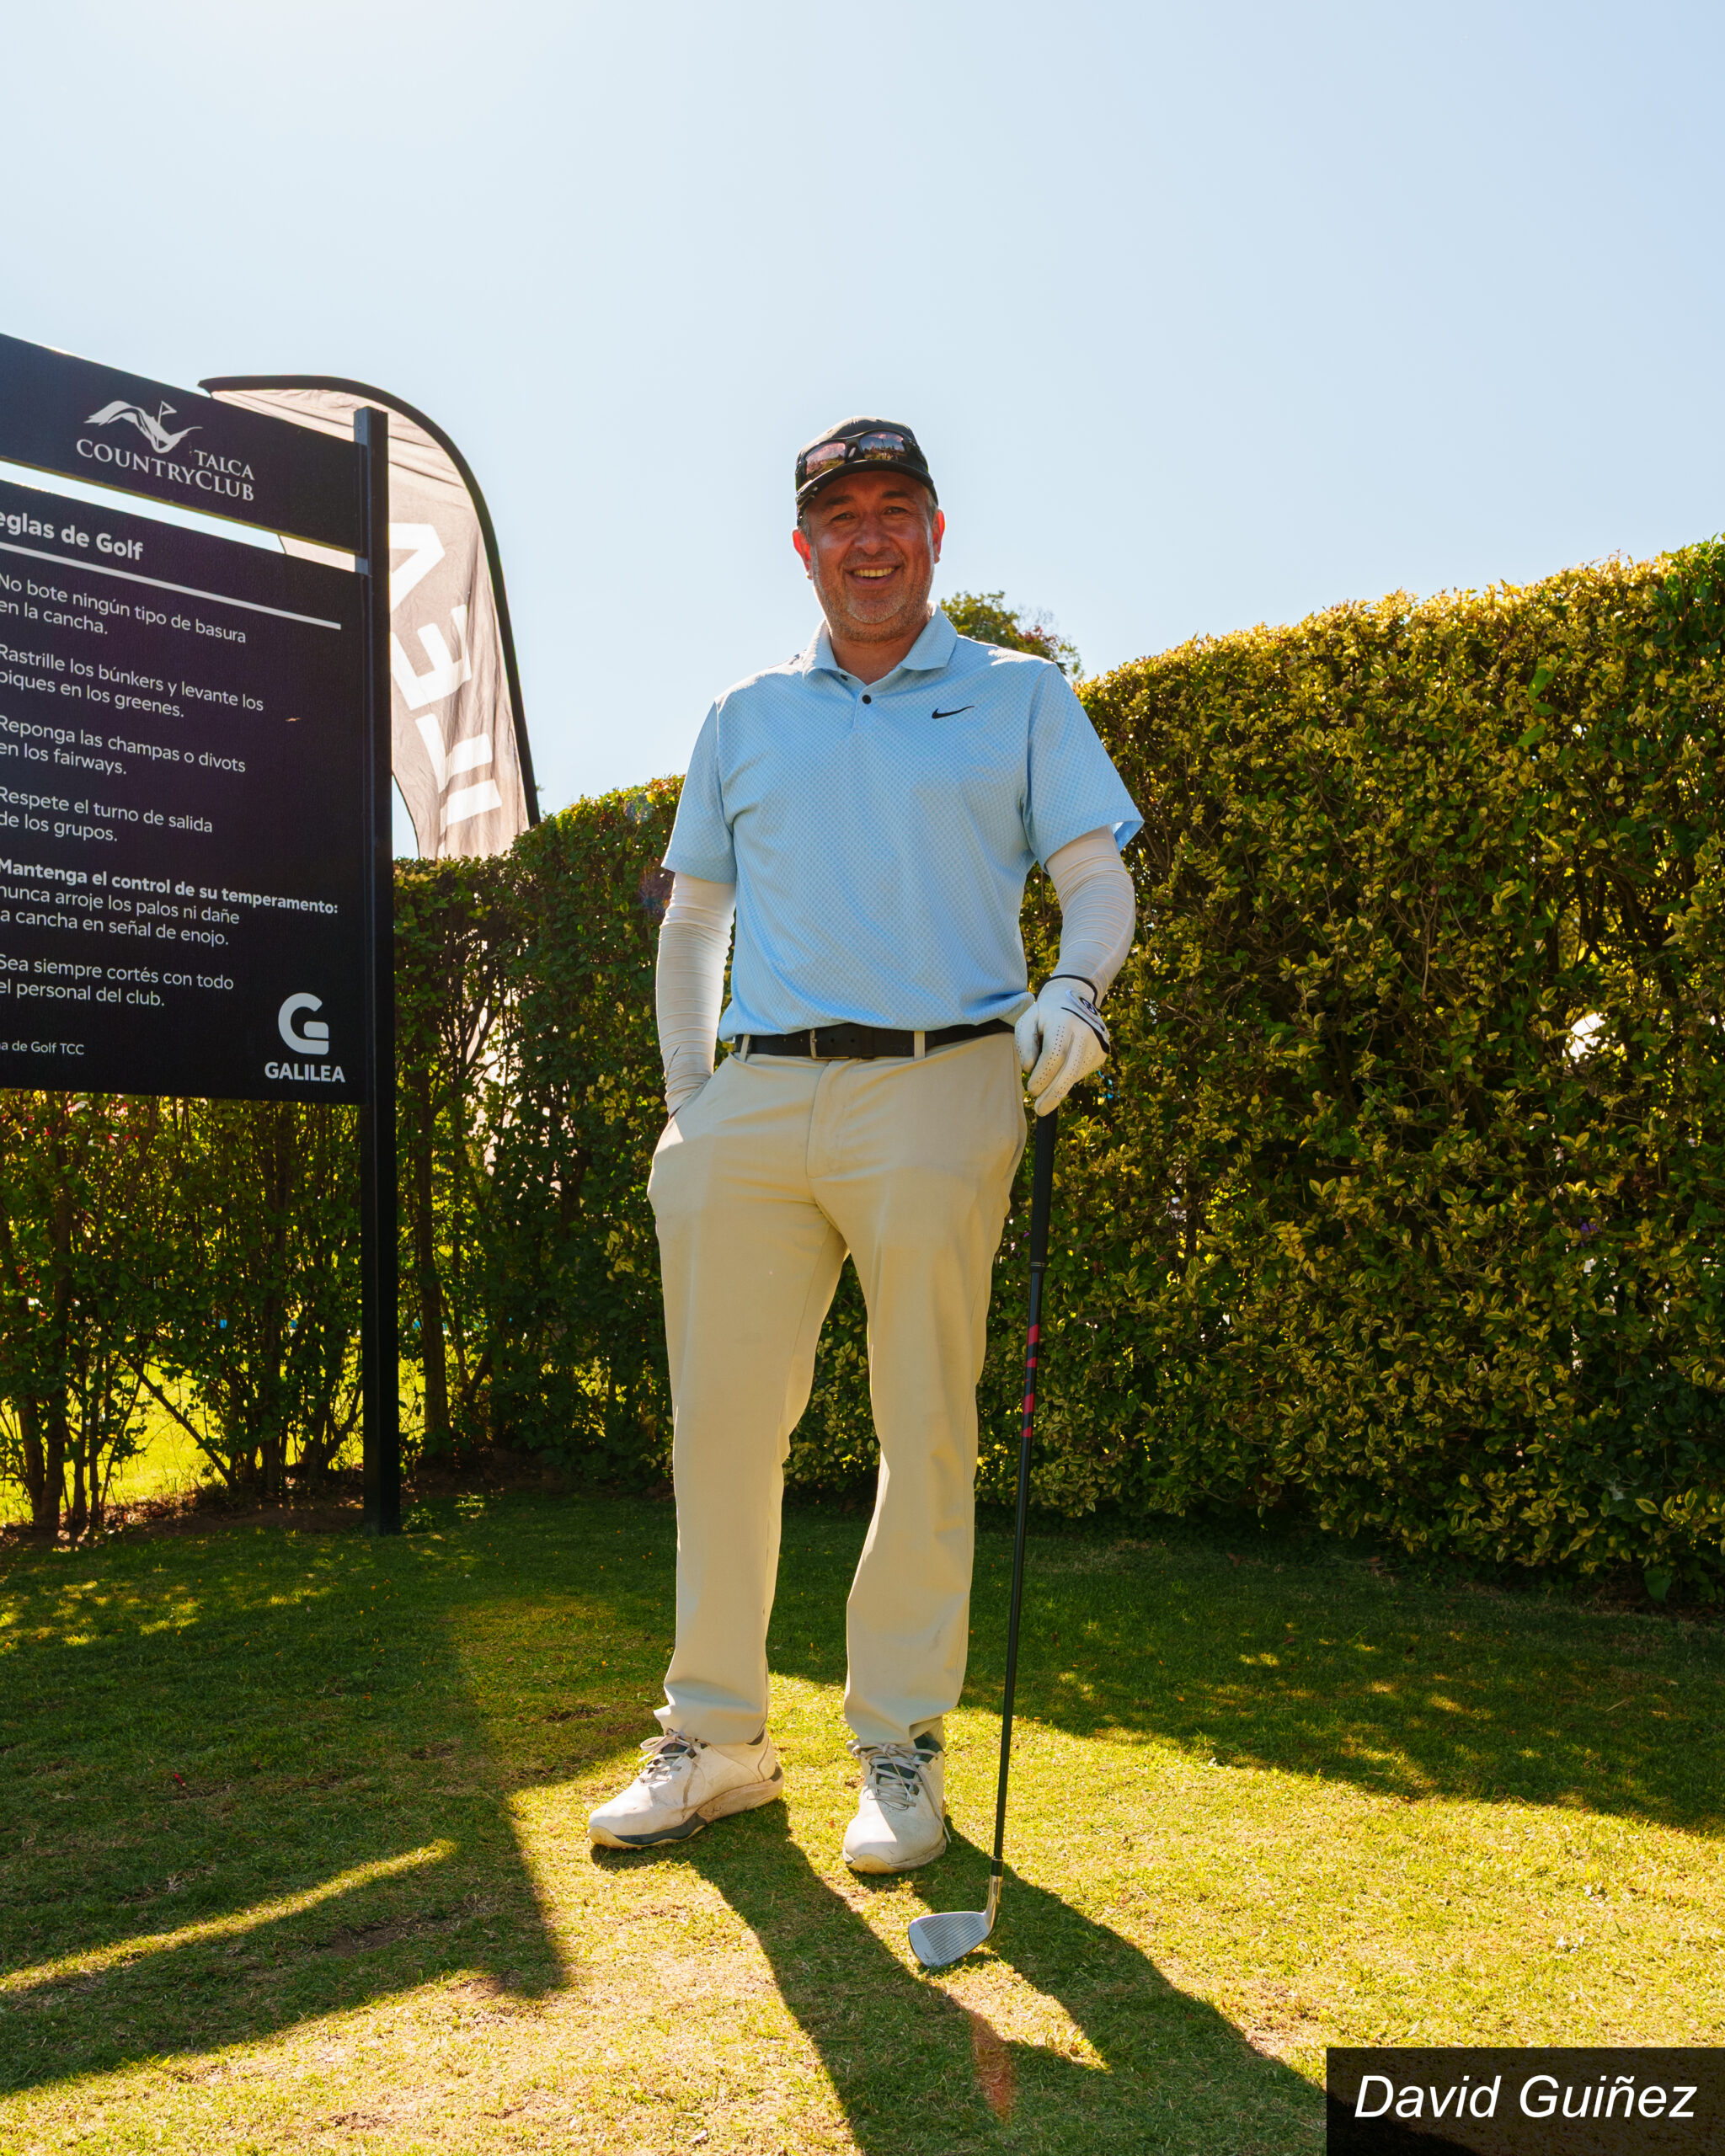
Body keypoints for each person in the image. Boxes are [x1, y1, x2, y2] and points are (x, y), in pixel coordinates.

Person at [589, 418, 1140, 1871]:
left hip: (944, 1080)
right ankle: (716, 1740)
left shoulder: (1020, 693)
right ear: (805, 548)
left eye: (898, 508)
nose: (871, 536)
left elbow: (1095, 877)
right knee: (719, 1429)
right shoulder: (744, 715)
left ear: (936, 535)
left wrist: (1077, 992)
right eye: (843, 516)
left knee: (922, 1426)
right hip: (756, 1097)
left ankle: (899, 1746)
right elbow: (693, 922)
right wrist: (687, 1104)